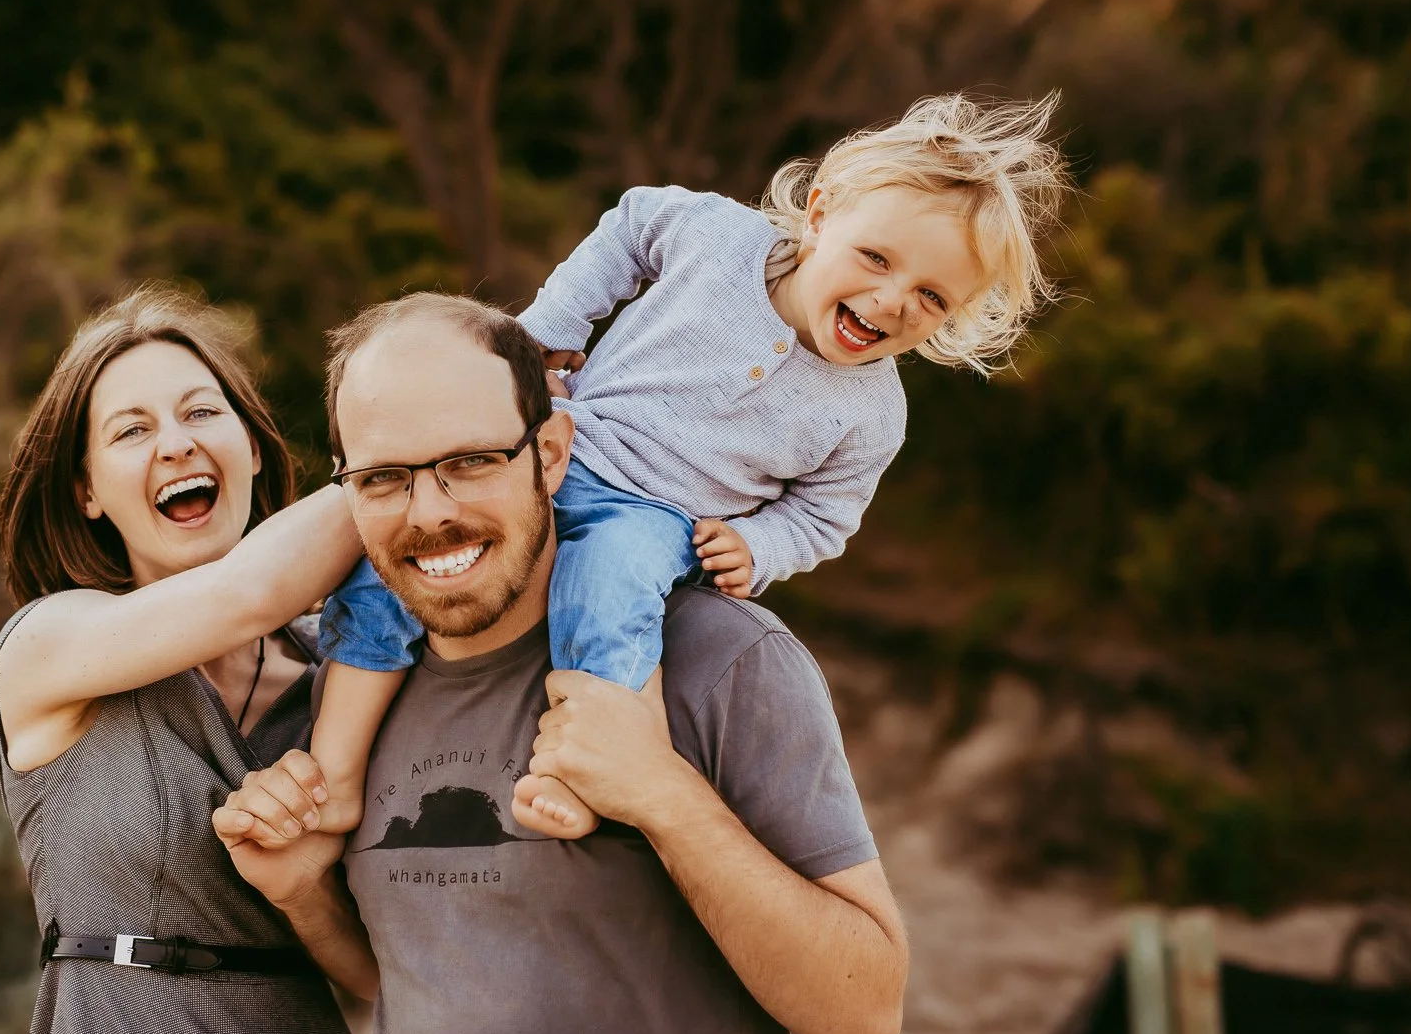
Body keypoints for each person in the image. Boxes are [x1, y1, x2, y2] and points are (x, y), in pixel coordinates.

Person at [309, 92, 1070, 839]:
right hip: (564, 438)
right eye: (876, 258)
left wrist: (761, 547)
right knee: (398, 550)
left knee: (608, 595)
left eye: (933, 298)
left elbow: (823, 514)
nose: (892, 299)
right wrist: (551, 327)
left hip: (654, 517)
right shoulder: (718, 237)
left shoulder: (872, 414)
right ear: (822, 212)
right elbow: (630, 226)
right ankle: (333, 768)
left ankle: (578, 775)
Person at [213, 293, 910, 1034]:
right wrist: (304, 891)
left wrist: (664, 797)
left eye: (470, 461)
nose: (430, 511)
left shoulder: (724, 659)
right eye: (384, 478)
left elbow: (863, 1024)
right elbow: (402, 979)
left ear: (551, 452)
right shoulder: (351, 707)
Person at [0, 284, 374, 1034]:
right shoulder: (47, 647)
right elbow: (249, 593)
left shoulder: (347, 683)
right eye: (132, 431)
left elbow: (380, 979)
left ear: (254, 447)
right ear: (87, 491)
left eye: (203, 414)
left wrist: (302, 890)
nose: (176, 445)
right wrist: (435, 433)